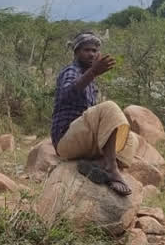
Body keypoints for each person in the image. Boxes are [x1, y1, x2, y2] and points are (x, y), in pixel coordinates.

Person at [51, 32, 136, 196]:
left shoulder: (91, 81)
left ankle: (99, 164)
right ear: (76, 52)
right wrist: (93, 72)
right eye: (87, 50)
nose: (92, 54)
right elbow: (66, 94)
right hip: (66, 140)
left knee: (130, 137)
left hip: (84, 140)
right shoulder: (71, 71)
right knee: (110, 106)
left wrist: (92, 74)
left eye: (95, 50)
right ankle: (111, 167)